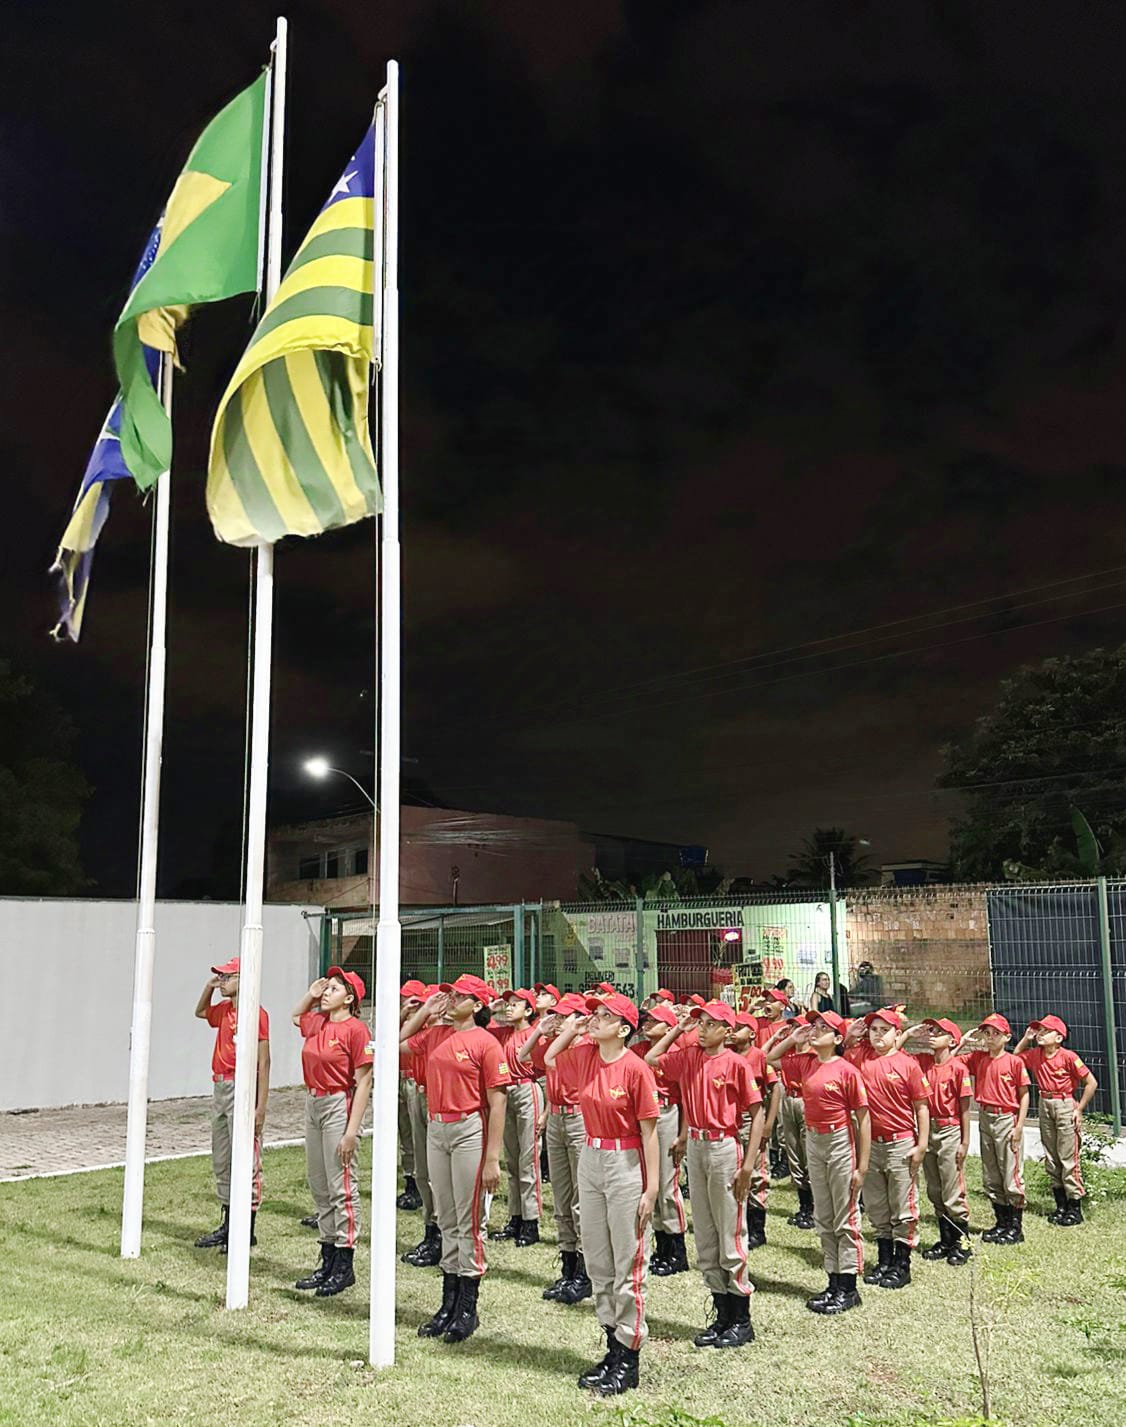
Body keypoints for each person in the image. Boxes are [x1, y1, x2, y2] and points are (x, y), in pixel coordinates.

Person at [546, 991, 660, 1396]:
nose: (594, 1018)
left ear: (624, 1029)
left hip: (625, 1161)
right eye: (594, 1014)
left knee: (627, 1261)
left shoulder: (635, 1069)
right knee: (597, 1258)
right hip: (591, 1157)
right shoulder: (587, 1058)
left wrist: (652, 1187)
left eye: (604, 1015)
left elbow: (649, 1132)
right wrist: (573, 1029)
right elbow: (548, 1060)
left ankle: (628, 1358)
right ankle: (611, 1346)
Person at [646, 1000, 763, 1349]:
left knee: (729, 1228)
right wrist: (677, 1030)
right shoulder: (690, 1057)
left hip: (724, 1146)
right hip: (696, 1145)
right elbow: (653, 1059)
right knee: (707, 1234)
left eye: (711, 1024)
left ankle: (741, 1318)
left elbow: (756, 1113)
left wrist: (748, 1166)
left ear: (727, 1031)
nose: (702, 1029)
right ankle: (721, 1312)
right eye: (700, 1023)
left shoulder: (736, 1064)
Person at [400, 974, 511, 1343]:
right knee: (445, 1217)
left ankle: (467, 1306)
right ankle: (447, 1302)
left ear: (477, 1005)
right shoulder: (435, 1035)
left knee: (468, 1218)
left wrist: (493, 1157)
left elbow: (498, 1101)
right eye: (448, 995)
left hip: (468, 1129)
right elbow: (394, 1044)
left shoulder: (485, 1043)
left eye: (459, 996)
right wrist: (423, 1013)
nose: (450, 1001)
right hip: (437, 1127)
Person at [774, 1011, 870, 1314]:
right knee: (824, 1214)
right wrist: (793, 1038)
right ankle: (833, 1280)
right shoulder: (806, 1063)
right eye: (813, 1026)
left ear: (838, 1039)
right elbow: (768, 1059)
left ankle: (849, 1286)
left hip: (839, 1139)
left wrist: (862, 1166)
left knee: (844, 1214)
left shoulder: (846, 1070)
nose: (815, 1031)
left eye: (823, 1028)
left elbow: (863, 1118)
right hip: (814, 1140)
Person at [291, 967, 374, 1297]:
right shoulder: (318, 1022)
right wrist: (312, 992)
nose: (327, 992)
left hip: (339, 1103)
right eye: (328, 987)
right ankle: (326, 1257)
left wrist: (351, 1131)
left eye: (334, 988)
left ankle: (344, 1262)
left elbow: (364, 1080)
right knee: (320, 1183)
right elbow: (296, 1016)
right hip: (314, 1102)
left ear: (350, 998)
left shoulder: (356, 1030)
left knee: (341, 1184)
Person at [193, 957, 270, 1254]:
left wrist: (260, 1106)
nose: (222, 982)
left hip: (243, 1084)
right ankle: (227, 1222)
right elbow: (200, 1012)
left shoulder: (257, 1014)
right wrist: (208, 987)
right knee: (222, 1156)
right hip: (221, 1084)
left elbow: (265, 1061)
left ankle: (246, 1227)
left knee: (247, 1158)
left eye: (227, 977)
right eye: (220, 977)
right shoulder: (224, 1010)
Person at [520, 993, 593, 1303]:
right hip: (558, 1119)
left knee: (580, 1198)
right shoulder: (557, 1043)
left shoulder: (586, 1046)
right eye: (556, 1016)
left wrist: (567, 1032)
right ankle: (568, 1265)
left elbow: (550, 1060)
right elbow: (524, 1056)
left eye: (564, 1016)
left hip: (578, 1119)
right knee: (562, 1196)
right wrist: (539, 1029)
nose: (557, 1021)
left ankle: (585, 1271)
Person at [853, 1009, 930, 1290]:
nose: (878, 1035)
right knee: (877, 1206)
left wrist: (921, 1145)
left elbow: (921, 1106)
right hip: (872, 1144)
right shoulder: (863, 1061)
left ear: (897, 1035)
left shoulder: (907, 1064)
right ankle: (884, 1260)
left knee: (903, 1206)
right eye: (873, 1029)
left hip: (901, 1143)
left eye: (884, 1030)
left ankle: (902, 1264)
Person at [1014, 1015, 1098, 1227]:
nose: (1040, 1035)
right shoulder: (1035, 1055)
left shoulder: (1068, 1057)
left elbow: (1091, 1083)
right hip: (1045, 1103)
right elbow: (1015, 1058)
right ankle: (1060, 1206)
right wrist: (1026, 1038)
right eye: (1039, 1031)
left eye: (1045, 1031)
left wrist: (1078, 1109)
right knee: (1051, 1157)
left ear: (1059, 1037)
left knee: (1068, 1157)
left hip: (1064, 1104)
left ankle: (1074, 1207)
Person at [959, 1014, 1031, 1245]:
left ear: (1007, 1037)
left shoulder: (1013, 1062)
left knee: (1010, 1173)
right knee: (991, 1174)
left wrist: (1019, 1126)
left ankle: (1015, 1227)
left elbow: (1024, 1094)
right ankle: (1001, 1222)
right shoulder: (978, 1058)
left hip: (1005, 1118)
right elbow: (949, 1061)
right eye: (986, 1034)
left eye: (995, 1034)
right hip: (985, 1116)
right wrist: (963, 1042)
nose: (990, 1038)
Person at [911, 1017, 973, 1266]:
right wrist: (910, 1034)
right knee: (934, 1189)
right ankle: (946, 1240)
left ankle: (963, 1243)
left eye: (940, 1032)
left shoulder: (958, 1068)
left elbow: (965, 1108)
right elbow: (898, 1054)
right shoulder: (923, 1063)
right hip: (929, 1128)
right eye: (932, 1030)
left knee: (951, 1190)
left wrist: (965, 1142)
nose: (933, 1034)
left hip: (949, 1129)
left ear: (953, 1040)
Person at [634, 1003, 689, 1276]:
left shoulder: (676, 1054)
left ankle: (677, 1249)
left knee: (667, 1183)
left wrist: (683, 1134)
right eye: (646, 1019)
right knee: (649, 1182)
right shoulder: (637, 1050)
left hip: (667, 1112)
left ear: (669, 1027)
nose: (646, 1024)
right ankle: (661, 1246)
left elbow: (687, 1097)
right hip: (644, 1117)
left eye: (654, 1021)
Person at [487, 988, 544, 1245]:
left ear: (529, 1010)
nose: (509, 1008)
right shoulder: (503, 1033)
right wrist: (493, 1007)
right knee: (512, 1159)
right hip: (506, 1091)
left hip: (527, 1088)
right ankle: (516, 1217)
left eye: (515, 1004)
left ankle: (531, 1222)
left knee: (528, 1158)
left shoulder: (534, 1033)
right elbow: (481, 1025)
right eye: (507, 1004)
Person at [728, 1011, 781, 1249]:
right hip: (731, 1120)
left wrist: (768, 1124)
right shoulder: (726, 1055)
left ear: (751, 1034)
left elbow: (775, 1089)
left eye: (738, 1027)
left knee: (757, 1172)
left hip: (752, 1120)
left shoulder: (758, 1056)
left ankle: (757, 1228)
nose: (732, 1031)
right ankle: (739, 1222)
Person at [400, 982, 443, 1269]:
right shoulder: (425, 1033)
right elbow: (398, 1042)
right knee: (424, 1172)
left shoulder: (447, 1034)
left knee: (439, 1176)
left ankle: (441, 1234)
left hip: (442, 1102)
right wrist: (415, 1013)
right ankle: (431, 1229)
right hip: (421, 1094)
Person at [763, 1015, 816, 1228]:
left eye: (798, 1027)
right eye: (793, 1027)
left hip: (806, 1101)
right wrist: (790, 1039)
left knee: (808, 1154)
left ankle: (814, 1209)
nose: (795, 1030)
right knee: (793, 1153)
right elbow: (768, 1057)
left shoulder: (814, 1055)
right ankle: (804, 1206)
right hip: (789, 1099)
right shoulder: (792, 1055)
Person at [396, 979, 427, 1212]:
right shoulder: (400, 1019)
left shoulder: (425, 1023)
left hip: (415, 1079)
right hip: (398, 1077)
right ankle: (409, 1179)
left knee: (417, 1134)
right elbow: (387, 1039)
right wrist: (402, 1013)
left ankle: (420, 1181)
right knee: (404, 1132)